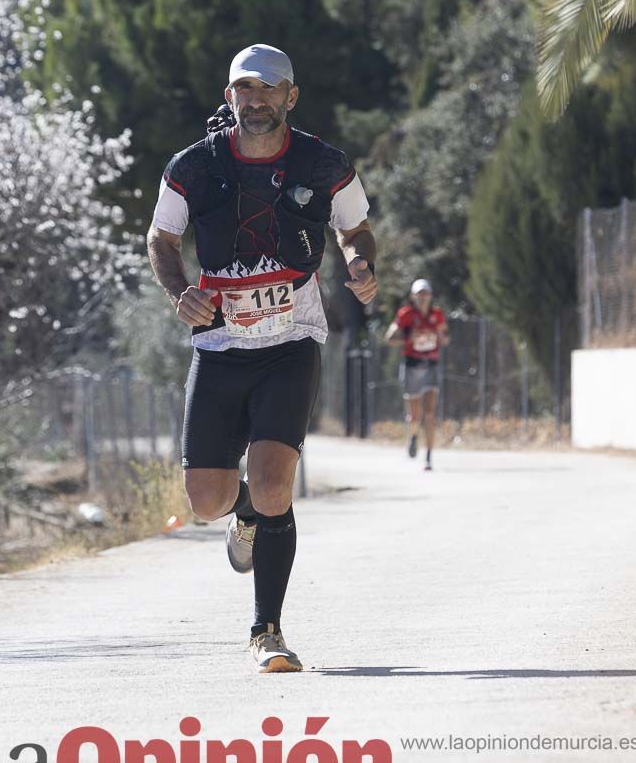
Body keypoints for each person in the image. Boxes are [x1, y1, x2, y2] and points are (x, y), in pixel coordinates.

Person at [147, 44, 377, 672]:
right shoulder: (193, 167)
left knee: (277, 484)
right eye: (244, 90)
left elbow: (354, 227)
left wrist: (360, 262)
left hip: (290, 341)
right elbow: (161, 238)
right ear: (230, 98)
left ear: (290, 97)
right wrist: (180, 292)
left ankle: (267, 631)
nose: (255, 100)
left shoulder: (323, 162)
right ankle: (242, 509)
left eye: (268, 89)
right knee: (204, 500)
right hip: (221, 347)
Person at [385, 279, 448, 471]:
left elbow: (445, 339)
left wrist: (438, 336)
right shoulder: (406, 315)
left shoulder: (437, 315)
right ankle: (412, 437)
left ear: (430, 295)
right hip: (412, 366)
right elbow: (389, 338)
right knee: (415, 416)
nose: (423, 297)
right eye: (419, 294)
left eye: (425, 293)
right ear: (413, 296)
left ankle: (428, 457)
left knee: (430, 414)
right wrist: (407, 338)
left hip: (431, 365)